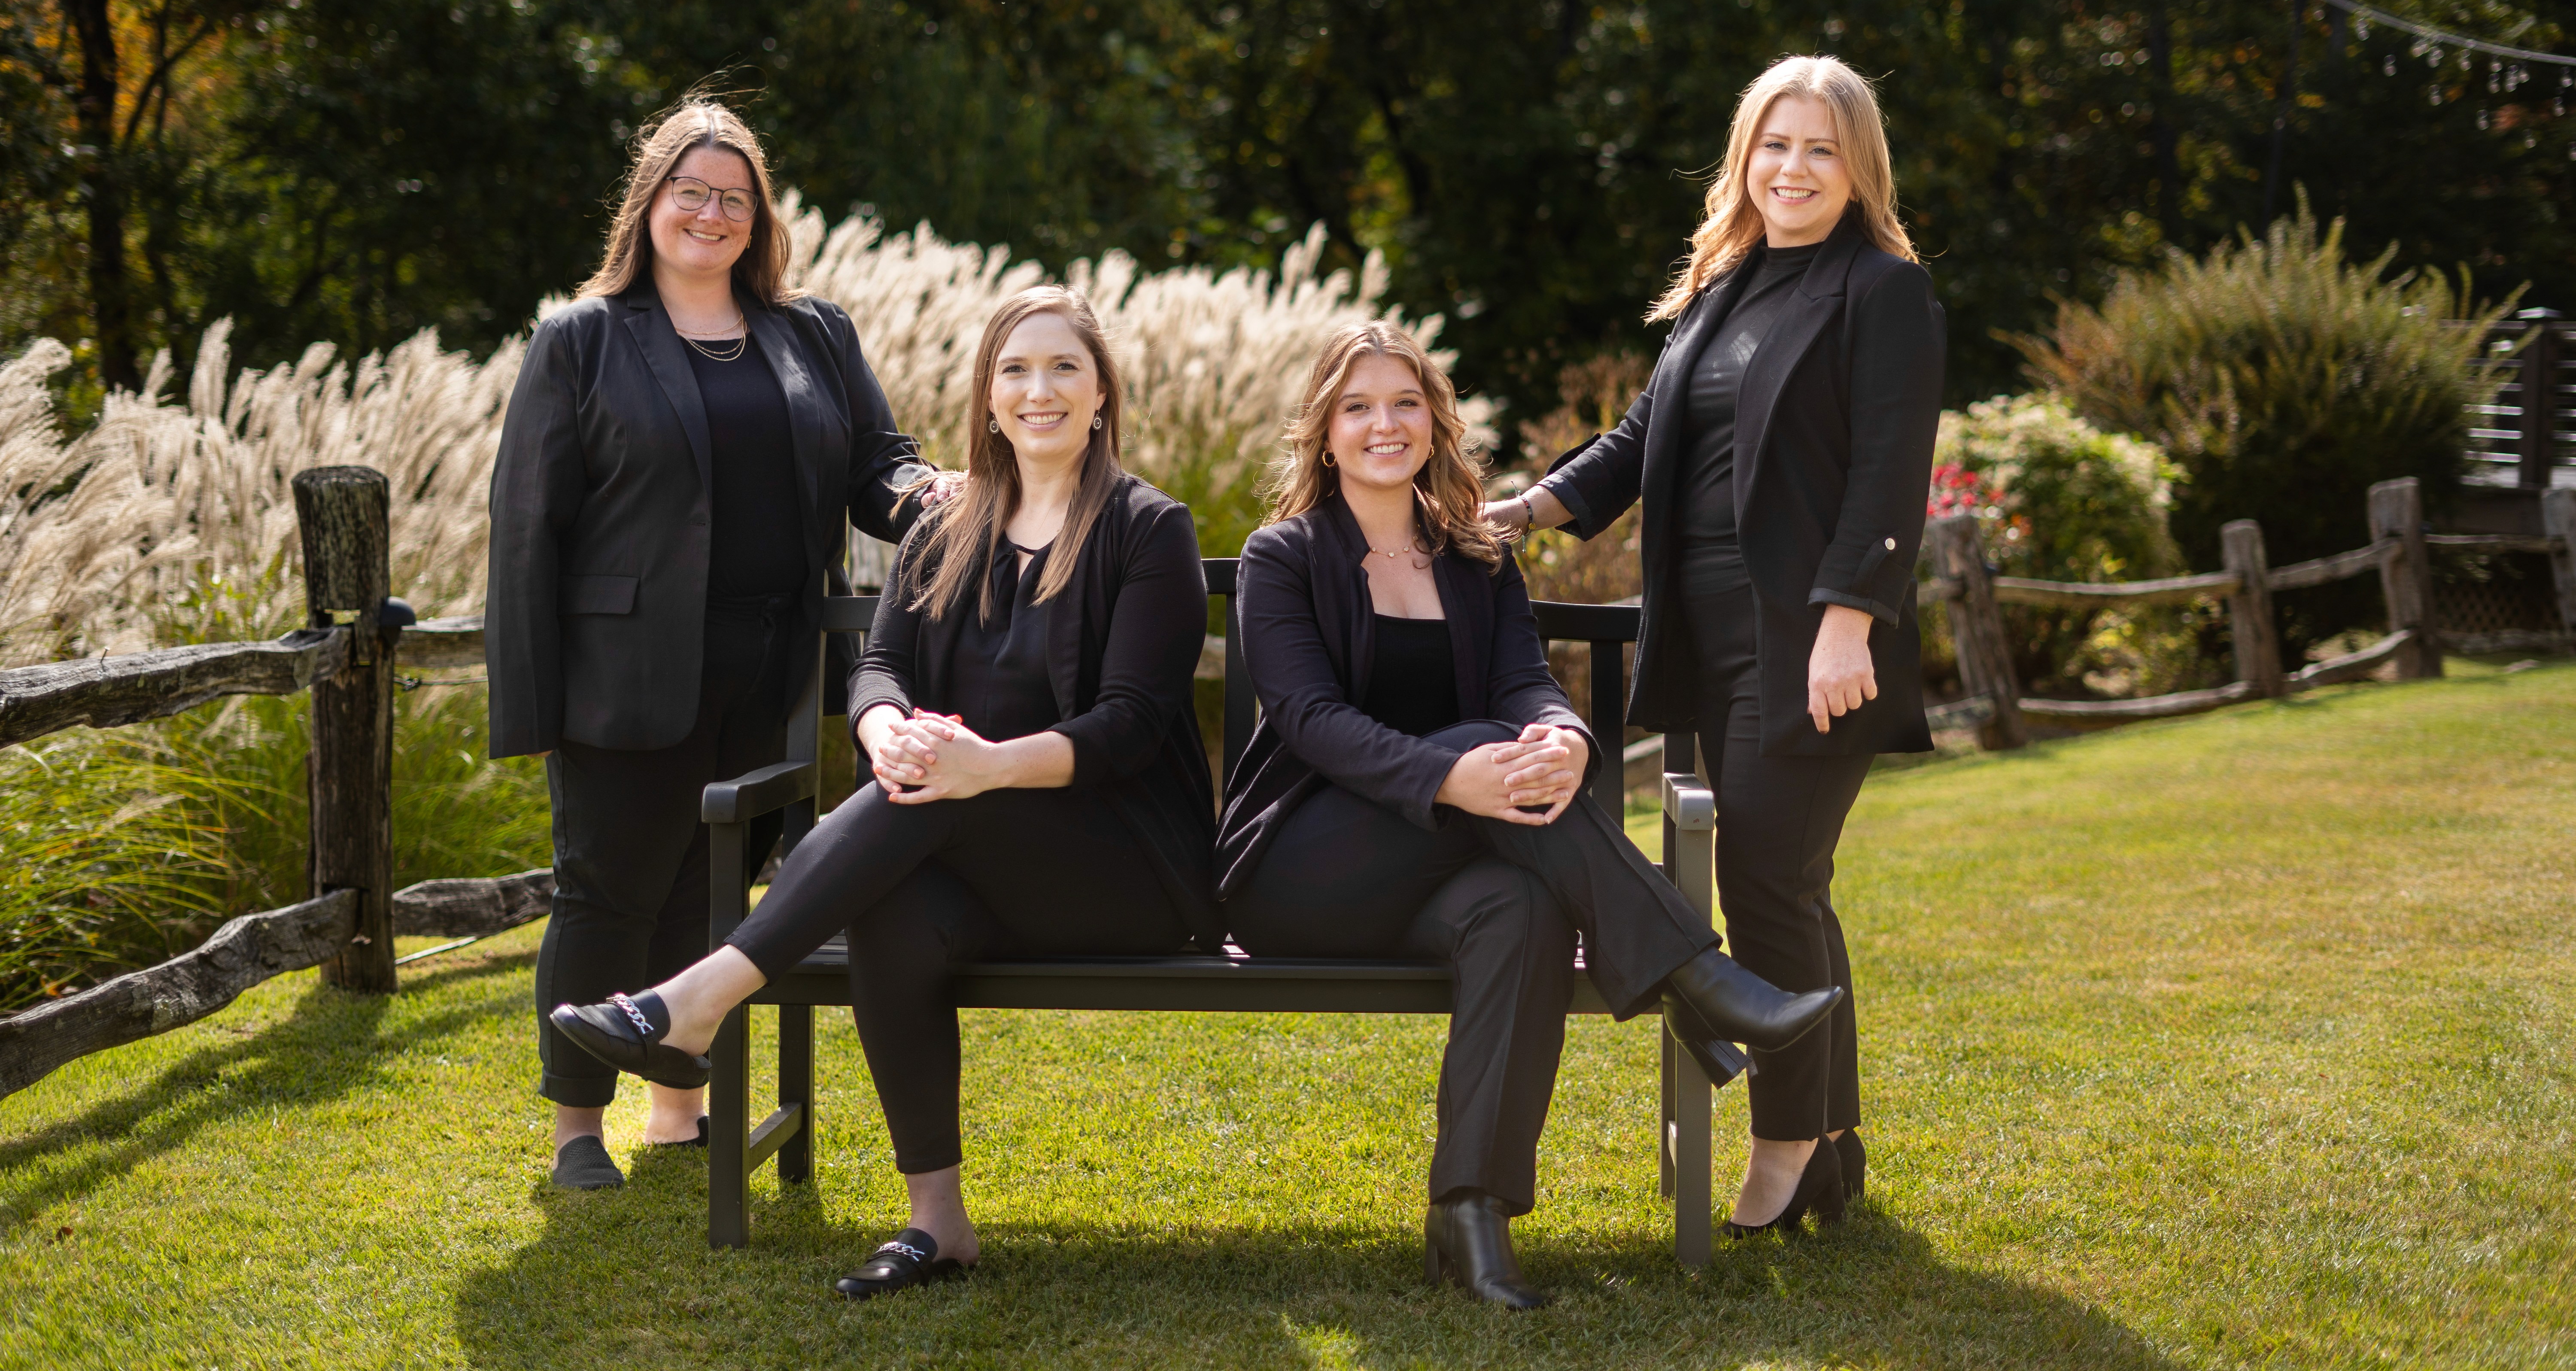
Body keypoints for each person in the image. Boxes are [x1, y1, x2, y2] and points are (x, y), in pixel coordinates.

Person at [548, 285, 1218, 1298]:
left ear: (1102, 395)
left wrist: (983, 764)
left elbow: (1129, 725)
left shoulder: (1147, 528)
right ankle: (937, 1222)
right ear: (988, 397)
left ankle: (699, 997)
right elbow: (879, 667)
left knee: (939, 787)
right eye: (1015, 369)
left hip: (1126, 869)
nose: (1038, 389)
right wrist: (882, 728)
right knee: (896, 900)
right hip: (973, 852)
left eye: (1064, 368)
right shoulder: (942, 528)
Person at [1218, 321, 1843, 1309]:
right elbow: (1310, 719)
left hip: (1445, 870)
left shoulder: (1475, 555)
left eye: (1406, 402)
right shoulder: (1284, 554)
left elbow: (1524, 682)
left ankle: (1471, 1214)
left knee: (1526, 910)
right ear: (1324, 432)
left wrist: (1565, 737)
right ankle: (1698, 975)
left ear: (1435, 422)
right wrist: (1452, 776)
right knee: (1482, 741)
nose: (1385, 423)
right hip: (1305, 870)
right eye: (1358, 406)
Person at [1484, 54, 1945, 1236]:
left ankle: (1785, 1149)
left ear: (1859, 169)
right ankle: (1831, 1143)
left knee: (1765, 882)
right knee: (1790, 888)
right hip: (1710, 637)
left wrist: (1848, 622)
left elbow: (1892, 469)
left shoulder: (1883, 291)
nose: (1794, 168)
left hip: (1809, 642)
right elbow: (1642, 439)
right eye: (1775, 145)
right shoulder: (1724, 287)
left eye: (1821, 149)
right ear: (1745, 158)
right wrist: (1526, 510)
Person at [486, 98, 933, 1192]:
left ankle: (677, 1110)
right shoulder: (582, 337)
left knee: (713, 889)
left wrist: (930, 493)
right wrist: (531, 705)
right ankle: (577, 1130)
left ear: (760, 218)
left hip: (774, 666)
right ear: (649, 204)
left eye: (735, 198)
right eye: (691, 191)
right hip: (624, 669)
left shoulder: (813, 332)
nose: (712, 213)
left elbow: (876, 464)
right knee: (607, 888)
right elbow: (527, 523)